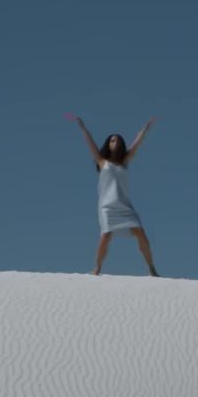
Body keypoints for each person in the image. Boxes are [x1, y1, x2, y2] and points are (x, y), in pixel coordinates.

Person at [71, 115, 161, 276]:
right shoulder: (102, 161)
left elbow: (136, 145)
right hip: (107, 206)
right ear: (108, 144)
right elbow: (90, 144)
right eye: (112, 140)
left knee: (141, 234)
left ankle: (152, 268)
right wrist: (83, 128)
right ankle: (97, 268)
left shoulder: (125, 161)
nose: (116, 143)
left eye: (118, 141)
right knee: (106, 235)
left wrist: (145, 129)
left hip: (124, 205)